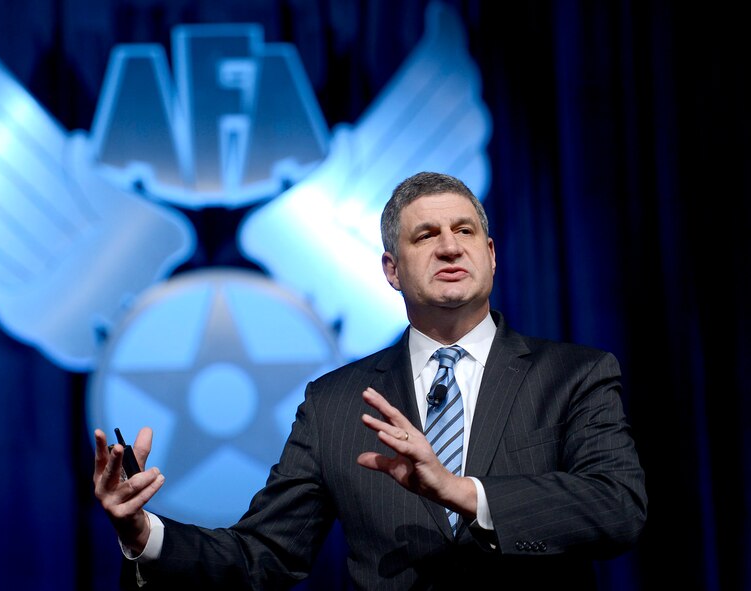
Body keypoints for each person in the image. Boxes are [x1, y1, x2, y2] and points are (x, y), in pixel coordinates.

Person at [93, 171, 647, 589]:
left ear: (491, 254)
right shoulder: (334, 403)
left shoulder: (573, 376)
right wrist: (143, 533)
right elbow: (264, 555)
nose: (449, 246)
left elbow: (617, 507)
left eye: (465, 230)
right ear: (391, 270)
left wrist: (462, 492)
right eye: (425, 235)